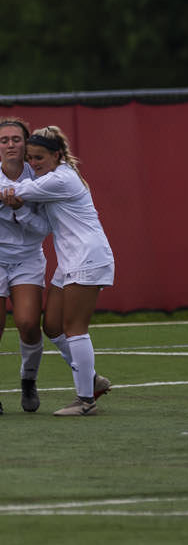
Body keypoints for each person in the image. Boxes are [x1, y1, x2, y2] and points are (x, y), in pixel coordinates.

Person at [0, 126, 114, 417]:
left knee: (75, 329)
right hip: (70, 262)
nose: (34, 164)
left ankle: (86, 400)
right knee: (51, 325)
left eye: (39, 158)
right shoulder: (51, 177)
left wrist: (14, 201)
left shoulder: (59, 179)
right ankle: (92, 379)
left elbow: (15, 192)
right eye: (31, 158)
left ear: (57, 155)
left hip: (87, 258)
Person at [0, 118, 49, 412]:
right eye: (4, 140)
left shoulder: (41, 177)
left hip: (28, 257)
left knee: (29, 323)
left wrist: (21, 210)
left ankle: (28, 381)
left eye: (16, 139)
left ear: (26, 143)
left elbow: (44, 228)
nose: (10, 145)